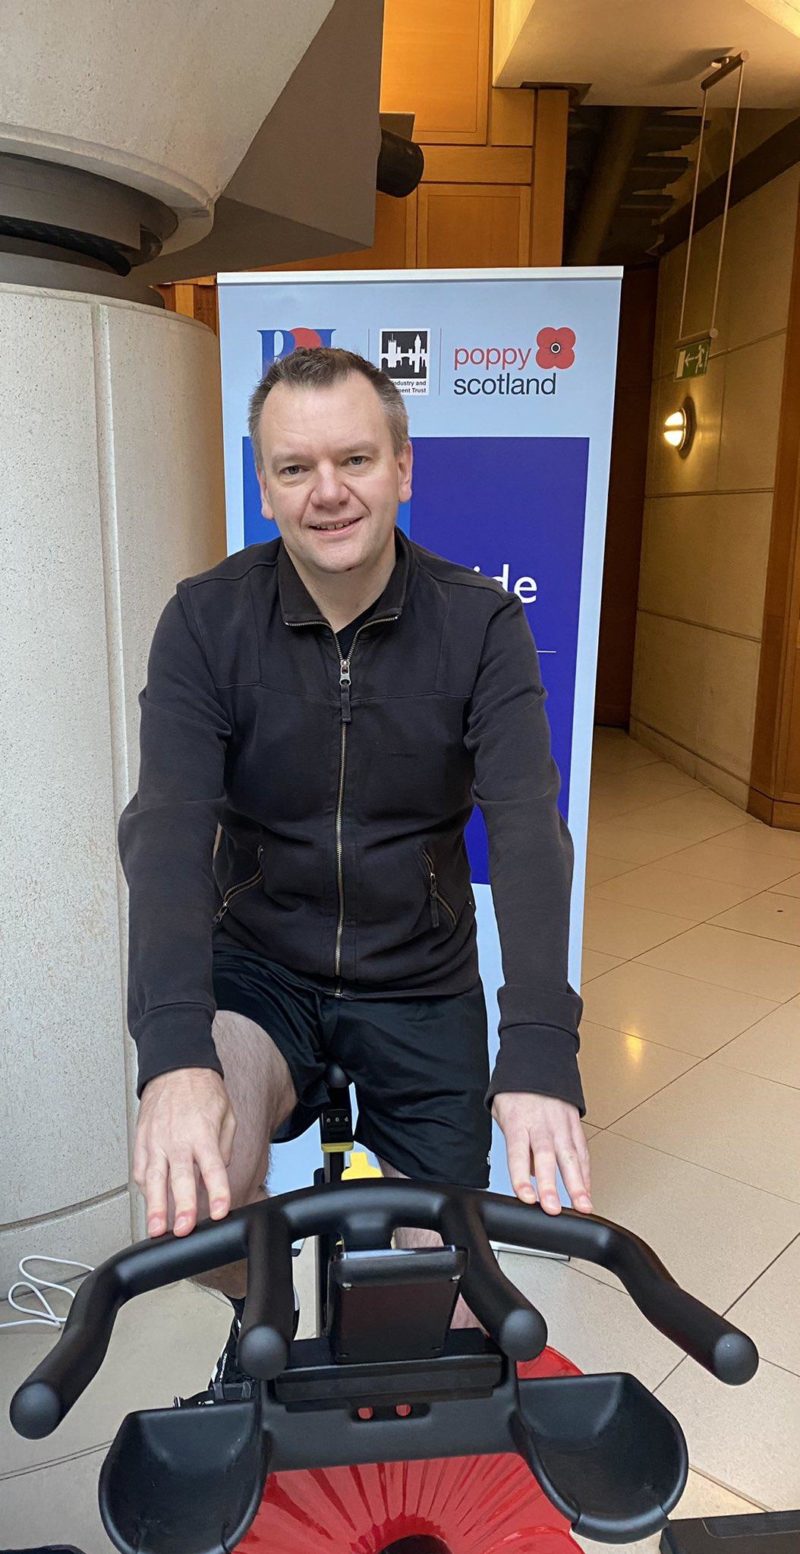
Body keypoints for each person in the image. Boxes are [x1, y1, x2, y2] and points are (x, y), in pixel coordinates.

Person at [119, 345, 591, 1391]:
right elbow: (165, 828)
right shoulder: (206, 619)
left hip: (417, 975)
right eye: (294, 468)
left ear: (402, 468)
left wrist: (540, 1049)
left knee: (454, 1286)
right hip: (260, 964)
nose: (326, 491)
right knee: (198, 1195)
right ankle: (267, 1316)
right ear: (265, 483)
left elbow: (523, 828)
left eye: (353, 459)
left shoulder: (479, 623)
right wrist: (172, 1054)